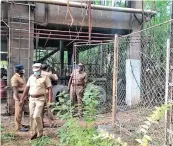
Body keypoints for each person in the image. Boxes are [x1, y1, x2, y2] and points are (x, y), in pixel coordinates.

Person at [20, 63, 52, 140]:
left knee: (36, 116)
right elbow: (27, 88)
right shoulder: (31, 78)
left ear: (40, 69)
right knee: (31, 116)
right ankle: (33, 132)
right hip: (31, 99)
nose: (36, 72)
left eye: (37, 70)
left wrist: (50, 101)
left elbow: (50, 89)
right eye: (34, 71)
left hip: (40, 99)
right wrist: (22, 98)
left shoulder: (45, 78)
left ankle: (40, 132)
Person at [11, 64, 28, 132]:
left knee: (21, 111)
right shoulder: (14, 78)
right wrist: (19, 99)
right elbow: (15, 91)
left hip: (23, 95)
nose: (23, 70)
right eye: (22, 69)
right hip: (19, 95)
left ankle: (20, 124)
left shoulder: (22, 76)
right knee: (18, 111)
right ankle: (18, 127)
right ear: (18, 70)